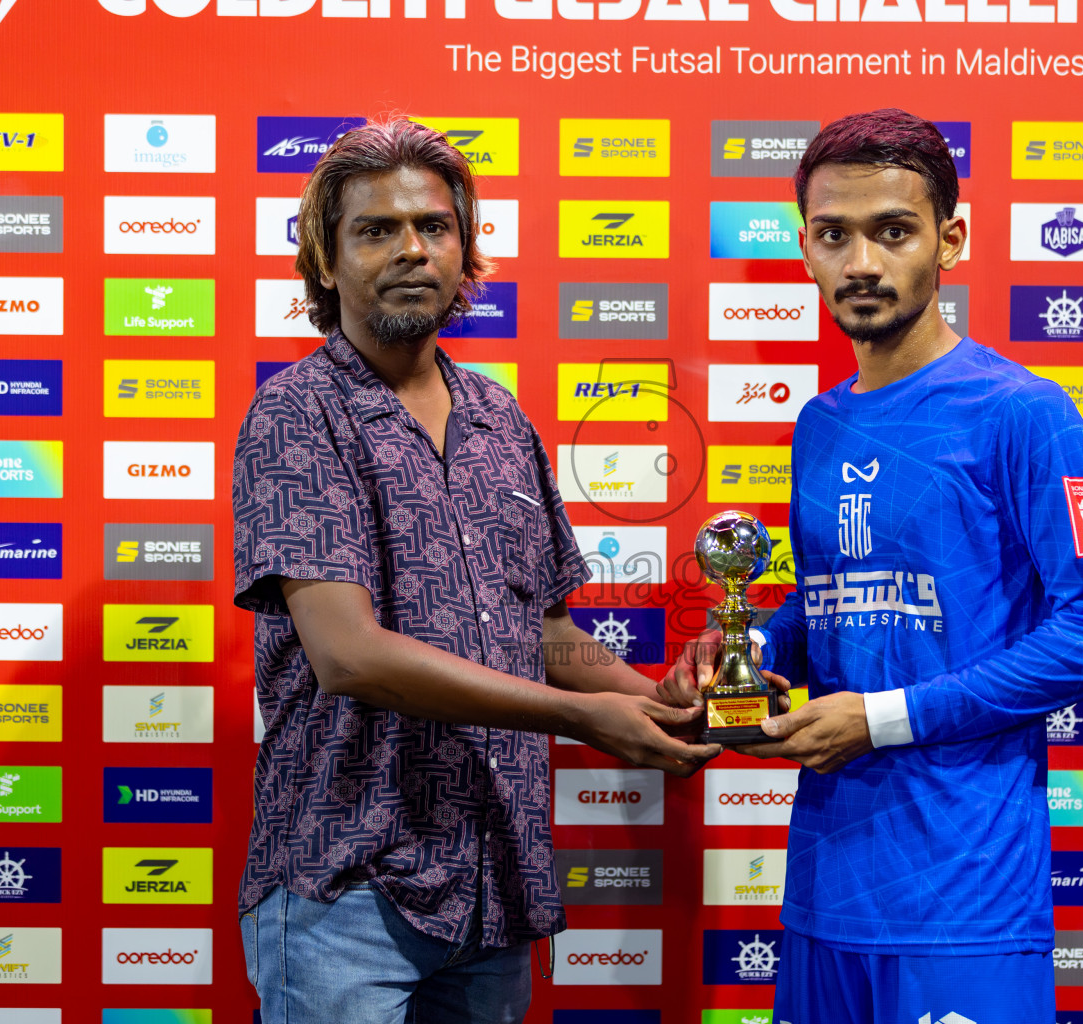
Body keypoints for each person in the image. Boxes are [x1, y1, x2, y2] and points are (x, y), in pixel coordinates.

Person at [659, 109, 1083, 1023]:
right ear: (804, 247)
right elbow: (836, 598)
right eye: (836, 236)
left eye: (893, 232)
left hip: (963, 897)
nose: (863, 264)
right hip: (825, 890)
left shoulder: (1023, 412)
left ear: (949, 240)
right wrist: (750, 648)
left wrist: (881, 718)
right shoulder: (819, 422)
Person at [231, 117, 716, 1024]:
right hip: (349, 888)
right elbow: (351, 656)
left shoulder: (502, 418)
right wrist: (584, 718)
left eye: (435, 226)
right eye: (376, 230)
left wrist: (655, 701)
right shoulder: (297, 414)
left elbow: (546, 635)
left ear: (465, 251)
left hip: (493, 883)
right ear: (325, 264)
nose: (411, 248)